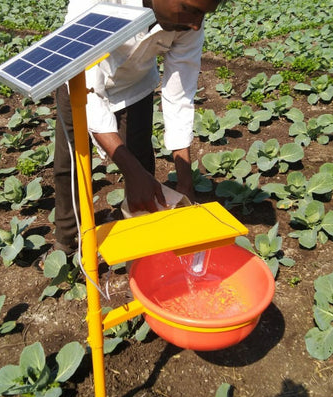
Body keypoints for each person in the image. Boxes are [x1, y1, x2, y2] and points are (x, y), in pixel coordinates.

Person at [51, 0, 223, 255]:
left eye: (203, 15)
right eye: (192, 10)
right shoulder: (97, 2)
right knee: (72, 166)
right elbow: (90, 94)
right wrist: (131, 172)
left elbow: (179, 94)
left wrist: (185, 183)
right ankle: (66, 242)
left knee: (141, 161)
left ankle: (146, 242)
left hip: (135, 85)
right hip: (79, 86)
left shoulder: (189, 20)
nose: (197, 24)